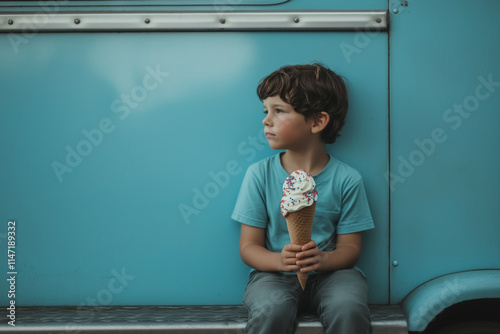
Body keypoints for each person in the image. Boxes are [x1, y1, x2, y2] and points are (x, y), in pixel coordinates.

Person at [231, 63, 375, 334]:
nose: (266, 120)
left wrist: (324, 260)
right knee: (270, 310)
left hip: (332, 276)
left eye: (279, 111)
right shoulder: (259, 175)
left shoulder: (347, 179)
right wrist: (278, 261)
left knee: (348, 308)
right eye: (266, 111)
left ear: (317, 122)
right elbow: (249, 246)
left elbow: (351, 249)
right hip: (273, 275)